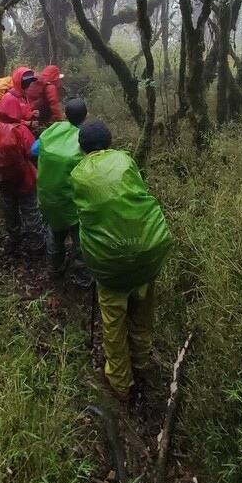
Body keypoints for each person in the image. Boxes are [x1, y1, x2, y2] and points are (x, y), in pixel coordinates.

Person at [71, 121, 172, 404]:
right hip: (148, 250)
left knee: (113, 324)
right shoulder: (126, 160)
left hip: (109, 264)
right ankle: (141, 363)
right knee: (142, 313)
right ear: (110, 142)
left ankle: (120, 382)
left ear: (82, 148)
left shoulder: (79, 174)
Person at [35, 98, 93, 287]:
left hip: (48, 198)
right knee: (80, 242)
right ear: (86, 116)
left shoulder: (52, 130)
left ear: (65, 114)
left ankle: (55, 269)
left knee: (55, 234)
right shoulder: (84, 139)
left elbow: (33, 151)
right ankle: (82, 278)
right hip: (72, 204)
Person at [0, 113, 46, 257]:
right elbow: (32, 152)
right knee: (30, 210)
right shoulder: (20, 130)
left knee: (10, 209)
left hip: (3, 179)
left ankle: (15, 239)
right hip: (24, 179)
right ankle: (37, 246)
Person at [0, 66, 40, 132]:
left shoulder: (23, 95)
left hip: (21, 130)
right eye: (26, 82)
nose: (28, 84)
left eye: (29, 82)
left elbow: (23, 113)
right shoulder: (9, 98)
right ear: (19, 82)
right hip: (9, 133)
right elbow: (11, 121)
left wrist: (31, 114)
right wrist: (28, 123)